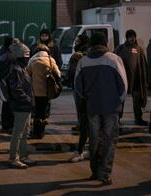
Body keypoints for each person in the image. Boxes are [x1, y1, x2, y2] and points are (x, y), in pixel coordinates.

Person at [75, 32, 127, 185]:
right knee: (109, 140)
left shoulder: (83, 61)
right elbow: (123, 86)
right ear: (105, 43)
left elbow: (78, 87)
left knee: (94, 140)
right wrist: (118, 102)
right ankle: (104, 173)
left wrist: (87, 99)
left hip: (92, 107)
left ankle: (94, 171)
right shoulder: (114, 59)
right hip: (111, 108)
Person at [7, 39, 36, 169]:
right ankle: (14, 158)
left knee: (25, 132)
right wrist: (28, 100)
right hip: (21, 106)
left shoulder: (21, 69)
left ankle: (23, 156)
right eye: (25, 56)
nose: (27, 58)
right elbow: (16, 89)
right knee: (18, 133)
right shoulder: (16, 70)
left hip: (25, 106)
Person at [26, 44, 60, 139]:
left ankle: (36, 132)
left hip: (35, 92)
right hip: (47, 91)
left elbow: (26, 75)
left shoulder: (32, 60)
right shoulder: (50, 60)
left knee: (36, 112)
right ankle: (42, 132)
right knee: (43, 111)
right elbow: (58, 74)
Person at [115, 29, 148, 126]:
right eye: (130, 36)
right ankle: (118, 118)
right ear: (127, 37)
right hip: (124, 78)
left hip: (137, 79)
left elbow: (143, 64)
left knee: (137, 100)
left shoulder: (139, 49)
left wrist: (145, 79)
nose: (132, 38)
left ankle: (138, 118)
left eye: (133, 36)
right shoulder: (120, 48)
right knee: (121, 99)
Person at [67, 34, 90, 162]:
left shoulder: (79, 56)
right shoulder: (83, 54)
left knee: (84, 118)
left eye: (78, 40)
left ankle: (80, 150)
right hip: (86, 91)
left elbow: (75, 74)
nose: (76, 42)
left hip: (82, 92)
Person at [0, 36, 15, 133]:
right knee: (10, 103)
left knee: (6, 103)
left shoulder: (1, 52)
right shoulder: (10, 54)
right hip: (9, 81)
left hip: (3, 81)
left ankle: (5, 124)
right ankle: (8, 125)